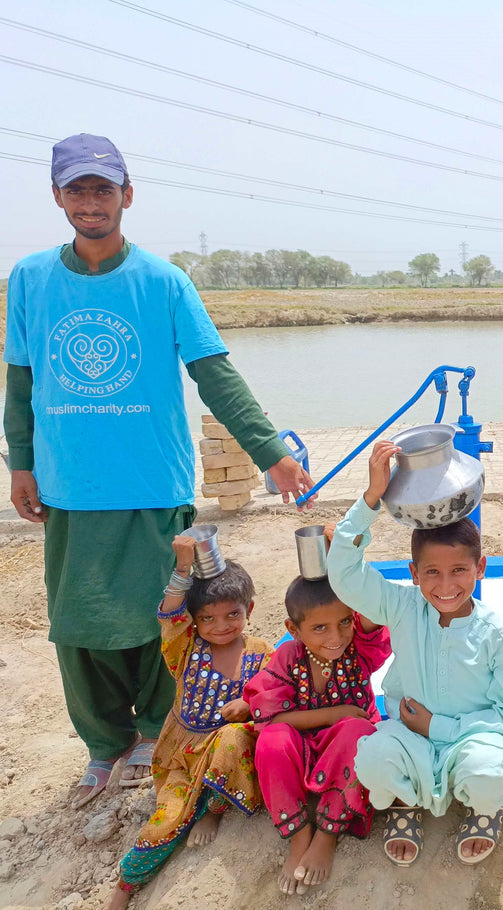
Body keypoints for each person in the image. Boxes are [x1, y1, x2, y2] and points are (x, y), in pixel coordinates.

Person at [2, 133, 314, 811]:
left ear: (127, 196)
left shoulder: (164, 282)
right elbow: (20, 382)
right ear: (59, 197)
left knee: (162, 618)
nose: (91, 202)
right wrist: (20, 464)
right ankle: (102, 743)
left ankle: (152, 732)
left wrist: (271, 453)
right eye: (78, 190)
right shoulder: (30, 279)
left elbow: (214, 375)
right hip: (70, 487)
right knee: (79, 625)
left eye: (103, 189)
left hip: (151, 483)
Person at [327, 440, 503, 867]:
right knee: (374, 759)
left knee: (489, 771)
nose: (446, 585)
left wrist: (438, 726)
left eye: (459, 570)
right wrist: (371, 498)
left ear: (481, 568)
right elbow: (344, 575)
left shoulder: (502, 634)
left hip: (471, 741)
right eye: (432, 573)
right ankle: (406, 801)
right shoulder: (401, 608)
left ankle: (482, 808)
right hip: (410, 738)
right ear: (413, 573)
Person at [104, 536, 271, 910]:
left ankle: (213, 811)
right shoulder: (185, 648)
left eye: (233, 615)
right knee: (166, 821)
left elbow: (276, 689)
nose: (221, 626)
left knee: (233, 737)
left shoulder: (261, 652)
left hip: (226, 752)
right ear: (193, 623)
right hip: (181, 754)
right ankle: (125, 887)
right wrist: (182, 568)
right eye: (207, 619)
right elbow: (170, 613)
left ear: (250, 610)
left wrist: (248, 702)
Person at [245, 575, 391, 895]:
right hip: (303, 749)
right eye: (320, 628)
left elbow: (371, 610)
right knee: (272, 741)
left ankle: (327, 833)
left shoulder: (360, 650)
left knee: (358, 731)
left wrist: (346, 562)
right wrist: (332, 714)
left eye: (344, 622)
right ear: (294, 629)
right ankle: (300, 835)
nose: (336, 636)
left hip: (347, 749)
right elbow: (268, 719)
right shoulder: (288, 656)